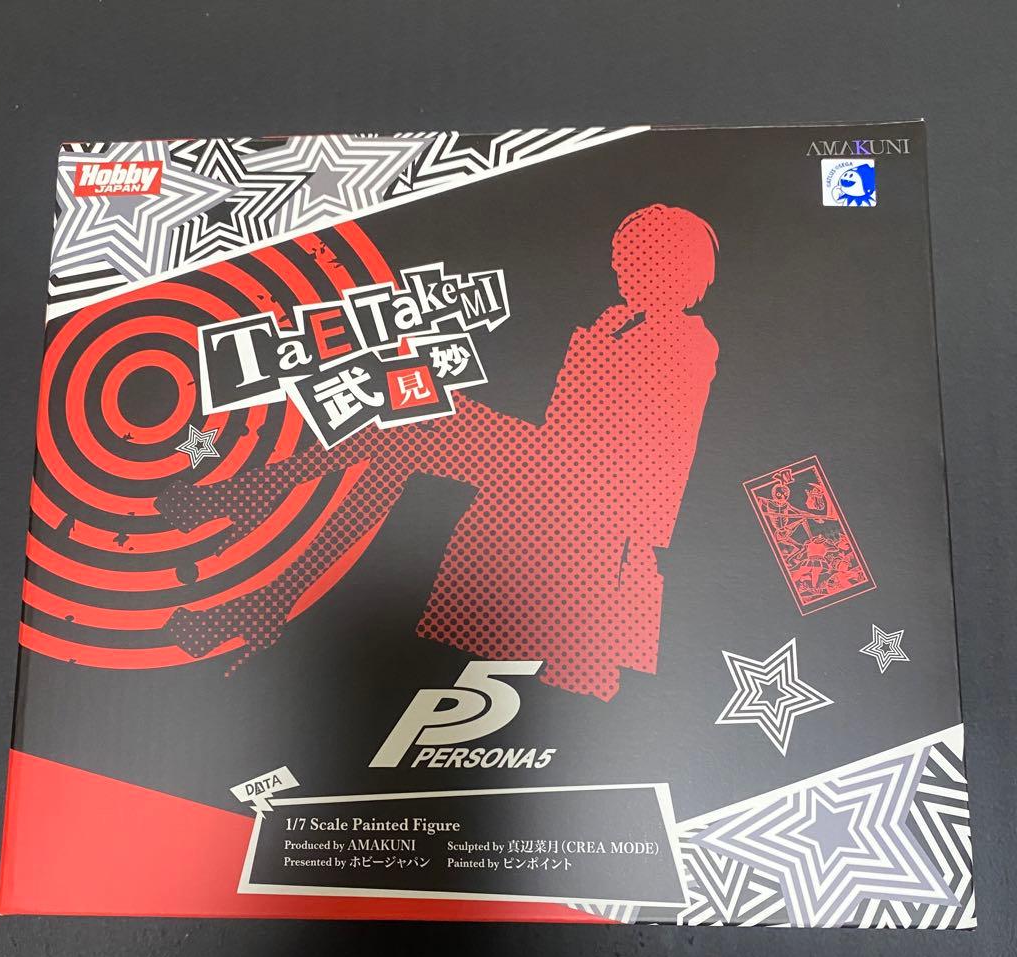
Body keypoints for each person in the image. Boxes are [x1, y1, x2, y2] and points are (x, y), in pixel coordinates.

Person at [157, 204, 721, 700]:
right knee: (398, 428)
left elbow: (645, 457)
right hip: (555, 466)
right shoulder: (618, 324)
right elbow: (567, 419)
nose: (623, 270)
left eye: (639, 260)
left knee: (405, 413)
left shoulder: (685, 344)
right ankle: (264, 596)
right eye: (623, 258)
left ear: (675, 270)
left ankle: (248, 524)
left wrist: (617, 533)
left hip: (588, 489)